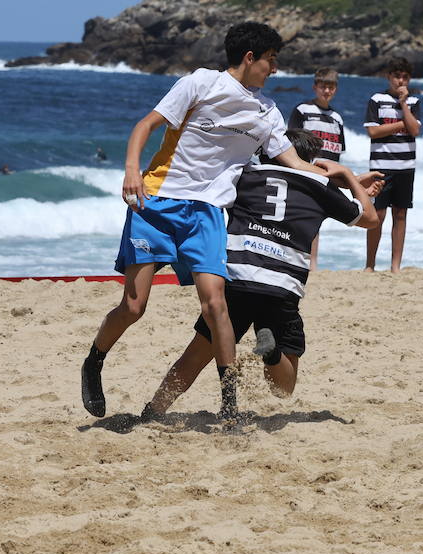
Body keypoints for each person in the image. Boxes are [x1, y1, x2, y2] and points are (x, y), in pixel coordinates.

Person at [81, 22, 323, 423]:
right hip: (157, 201)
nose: (273, 70)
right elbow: (145, 125)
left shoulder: (266, 112)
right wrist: (131, 170)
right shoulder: (200, 84)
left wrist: (340, 177)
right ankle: (94, 361)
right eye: (271, 61)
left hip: (208, 213)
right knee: (134, 306)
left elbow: (294, 163)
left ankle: (229, 406)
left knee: (216, 306)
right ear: (250, 58)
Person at [141, 130, 380, 418]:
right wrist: (348, 176)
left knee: (195, 356)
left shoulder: (244, 174)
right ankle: (272, 353)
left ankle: (153, 410)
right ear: (308, 161)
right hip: (282, 286)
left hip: (237, 277)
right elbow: (370, 219)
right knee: (283, 387)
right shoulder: (320, 186)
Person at [364, 57, 421, 273]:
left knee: (400, 215)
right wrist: (401, 124)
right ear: (389, 77)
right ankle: (370, 264)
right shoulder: (376, 99)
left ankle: (395, 265)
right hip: (381, 166)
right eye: (397, 76)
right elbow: (373, 131)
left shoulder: (414, 102)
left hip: (406, 167)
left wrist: (404, 104)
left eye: (405, 77)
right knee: (377, 215)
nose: (401, 81)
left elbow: (415, 130)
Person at [287, 67, 346, 269]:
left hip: (326, 174)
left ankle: (312, 262)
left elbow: (338, 148)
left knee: (317, 216)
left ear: (336, 89)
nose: (326, 91)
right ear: (315, 87)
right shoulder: (302, 110)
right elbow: (291, 141)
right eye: (323, 87)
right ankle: (300, 259)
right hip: (305, 171)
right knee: (303, 215)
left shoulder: (337, 117)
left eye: (330, 87)